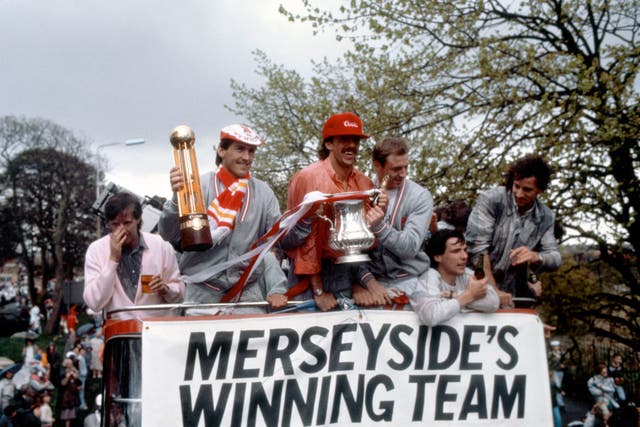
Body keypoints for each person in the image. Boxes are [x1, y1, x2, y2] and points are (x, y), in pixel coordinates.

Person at [158, 124, 288, 314]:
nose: (247, 157)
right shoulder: (198, 185)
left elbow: (278, 241)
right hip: (201, 296)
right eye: (240, 149)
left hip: (247, 295)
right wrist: (176, 199)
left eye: (251, 151)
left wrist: (307, 217)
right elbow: (169, 234)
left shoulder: (263, 192)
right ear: (221, 150)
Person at [286, 112, 385, 311]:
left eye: (355, 140)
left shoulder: (364, 182)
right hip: (309, 278)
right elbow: (299, 241)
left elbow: (362, 245)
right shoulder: (308, 177)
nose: (352, 145)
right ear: (329, 144)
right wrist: (318, 290)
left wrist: (378, 217)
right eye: (344, 139)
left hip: (347, 274)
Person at [465, 154, 561, 306]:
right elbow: (478, 250)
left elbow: (555, 258)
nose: (519, 194)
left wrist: (535, 256)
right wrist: (492, 290)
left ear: (540, 191)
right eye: (516, 186)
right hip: (473, 285)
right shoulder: (491, 199)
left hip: (510, 294)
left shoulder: (546, 216)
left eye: (527, 189)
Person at [351, 136, 433, 307]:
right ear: (377, 165)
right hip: (369, 280)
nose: (403, 174)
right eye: (396, 169)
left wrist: (380, 227)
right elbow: (351, 250)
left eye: (406, 167)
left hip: (411, 277)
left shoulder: (420, 196)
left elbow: (410, 247)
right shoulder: (360, 191)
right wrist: (367, 282)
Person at [84, 191, 185, 319]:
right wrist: (112, 260)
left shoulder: (161, 245)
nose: (122, 229)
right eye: (115, 224)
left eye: (127, 223)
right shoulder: (96, 250)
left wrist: (165, 289)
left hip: (158, 331)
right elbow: (94, 303)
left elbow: (180, 295)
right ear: (108, 224)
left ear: (138, 220)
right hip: (121, 333)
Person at [415, 229, 499, 326]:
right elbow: (431, 316)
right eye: (456, 251)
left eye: (465, 250)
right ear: (438, 257)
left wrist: (454, 295)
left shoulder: (466, 274)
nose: (465, 256)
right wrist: (469, 296)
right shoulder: (428, 276)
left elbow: (494, 302)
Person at [548, 340, 567, 411]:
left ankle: (556, 401)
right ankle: (561, 405)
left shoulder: (561, 353)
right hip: (554, 371)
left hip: (560, 371)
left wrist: (563, 365)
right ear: (552, 347)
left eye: (557, 346)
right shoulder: (550, 354)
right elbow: (549, 363)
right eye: (555, 346)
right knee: (558, 386)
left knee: (558, 386)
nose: (556, 347)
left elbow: (565, 361)